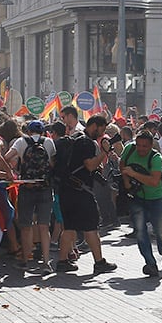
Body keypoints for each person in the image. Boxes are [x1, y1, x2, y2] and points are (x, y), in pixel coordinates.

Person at [54, 115, 118, 275]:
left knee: (69, 227)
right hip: (80, 192)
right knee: (91, 227)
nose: (101, 134)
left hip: (65, 189)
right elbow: (89, 165)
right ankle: (99, 262)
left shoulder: (73, 139)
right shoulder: (86, 143)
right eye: (101, 130)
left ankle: (62, 261)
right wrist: (104, 152)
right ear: (94, 126)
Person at [4, 120, 56, 275]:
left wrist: (11, 172)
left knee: (26, 226)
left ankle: (25, 260)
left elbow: (6, 158)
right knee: (44, 226)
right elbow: (52, 164)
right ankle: (46, 262)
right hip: (45, 187)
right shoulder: (49, 142)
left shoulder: (21, 142)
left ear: (27, 131)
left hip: (26, 187)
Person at [120, 130, 162, 276]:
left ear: (151, 146)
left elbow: (154, 181)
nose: (141, 149)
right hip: (137, 199)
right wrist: (127, 183)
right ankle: (150, 264)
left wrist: (133, 174)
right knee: (141, 232)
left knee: (160, 232)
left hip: (155, 198)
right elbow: (122, 164)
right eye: (139, 145)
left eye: (145, 146)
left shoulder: (156, 158)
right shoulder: (129, 149)